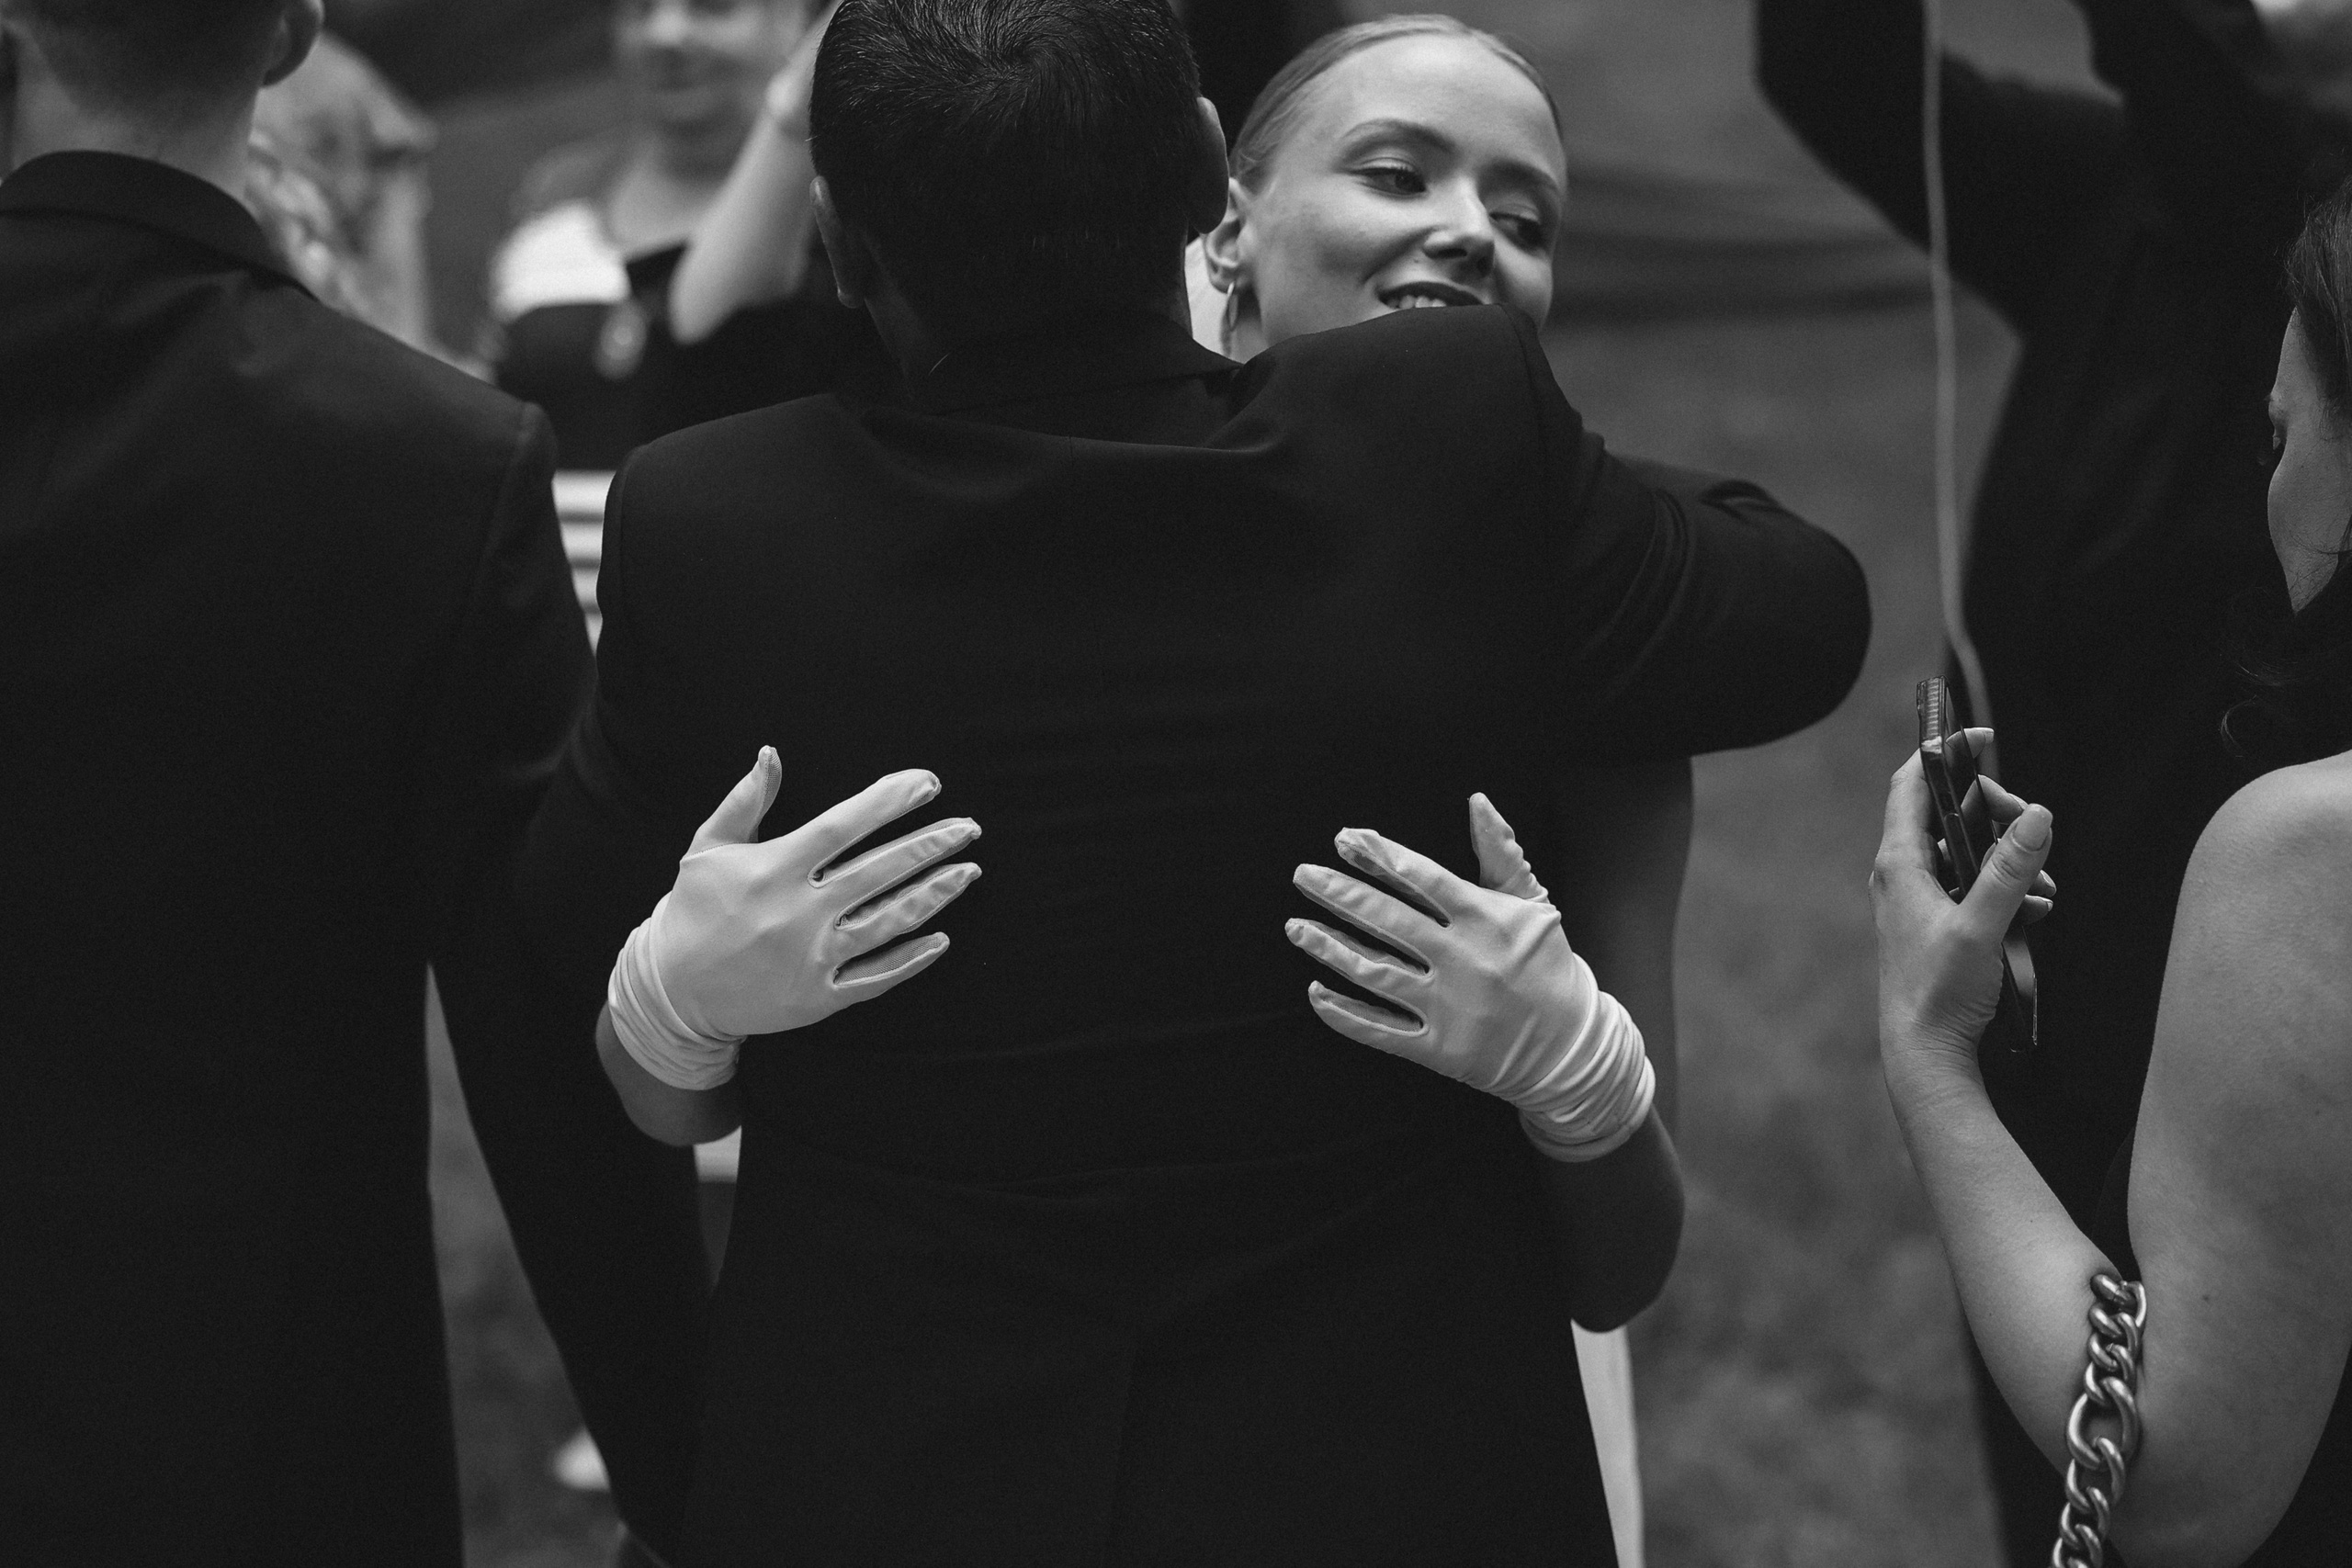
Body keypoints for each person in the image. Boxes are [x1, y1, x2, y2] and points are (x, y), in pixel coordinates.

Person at [514, 1, 1870, 1561]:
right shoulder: (1453, 433)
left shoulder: (717, 525)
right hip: (1390, 1479)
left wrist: (668, 1008)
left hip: (896, 1469)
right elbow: (1802, 610)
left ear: (842, 245)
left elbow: (571, 947)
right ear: (1209, 177)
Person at [0, 3, 707, 1562]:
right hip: (256, 1430)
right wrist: (695, 1483)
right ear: (293, 36)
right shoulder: (427, 466)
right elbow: (548, 1036)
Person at [1758, 0, 2330, 1550]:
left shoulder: (2307, 224)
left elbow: (2180, 1483)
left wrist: (1922, 1056)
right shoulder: (2116, 194)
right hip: (2050, 1035)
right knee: (2072, 1487)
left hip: (2273, 1047)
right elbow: (1831, 71)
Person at [1188, 19, 1697, 1562]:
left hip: (1439, 1441)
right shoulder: (1033, 553)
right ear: (1229, 230)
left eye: (1525, 219)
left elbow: (1622, 1265)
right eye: (1399, 172)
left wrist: (1568, 1068)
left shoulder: (1591, 651)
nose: (1470, 229)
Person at [1869, 182, 2352, 1568]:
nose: (2271, 494)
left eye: (2278, 435)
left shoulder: (2306, 854)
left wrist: (1931, 1054)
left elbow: (2173, 1476)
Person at [481, 0, 824, 467]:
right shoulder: (557, 186)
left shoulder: (826, 200)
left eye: (711, 8)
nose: (664, 34)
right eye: (640, 9)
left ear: (798, 24)